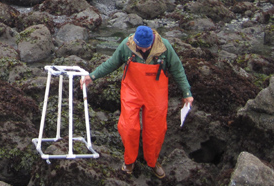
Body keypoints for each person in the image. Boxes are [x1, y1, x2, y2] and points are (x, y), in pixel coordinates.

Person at [80, 25, 193, 178]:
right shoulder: (126, 45)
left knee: (156, 130)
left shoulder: (165, 47)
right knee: (128, 127)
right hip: (131, 91)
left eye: (147, 48)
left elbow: (177, 69)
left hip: (156, 94)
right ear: (135, 41)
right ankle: (129, 161)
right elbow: (112, 63)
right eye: (141, 47)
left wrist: (186, 92)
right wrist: (92, 76)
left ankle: (153, 162)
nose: (144, 50)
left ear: (152, 41)